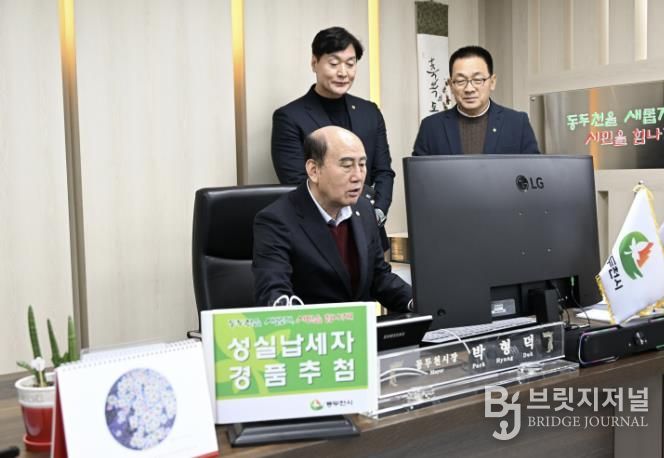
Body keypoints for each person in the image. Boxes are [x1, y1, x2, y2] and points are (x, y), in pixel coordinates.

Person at [253, 126, 412, 311]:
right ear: (314, 170)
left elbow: (379, 277)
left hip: (361, 327)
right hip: (314, 327)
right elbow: (274, 295)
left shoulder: (364, 209)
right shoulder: (276, 220)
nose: (358, 176)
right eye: (347, 166)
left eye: (362, 165)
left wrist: (417, 302)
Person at [271, 26, 395, 241]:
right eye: (334, 63)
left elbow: (384, 172)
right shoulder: (290, 117)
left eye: (350, 63)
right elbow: (297, 181)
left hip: (370, 232)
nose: (343, 72)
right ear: (314, 63)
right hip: (318, 234)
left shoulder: (369, 112)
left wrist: (376, 213)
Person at [413, 45, 540, 156]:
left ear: (492, 82)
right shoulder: (431, 127)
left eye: (478, 80)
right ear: (451, 85)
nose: (469, 89)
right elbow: (418, 174)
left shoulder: (517, 123)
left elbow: (532, 170)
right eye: (461, 81)